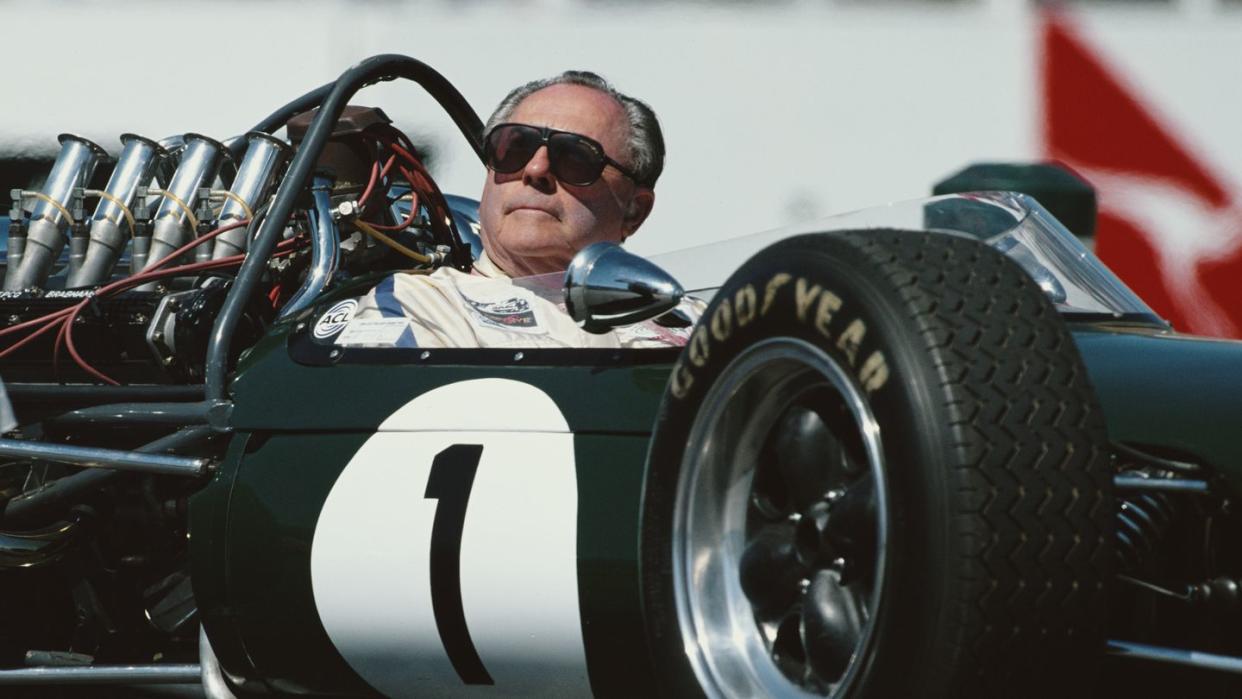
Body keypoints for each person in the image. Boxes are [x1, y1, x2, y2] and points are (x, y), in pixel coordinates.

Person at [338, 71, 695, 349]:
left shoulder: (695, 321)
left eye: (574, 156)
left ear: (634, 211)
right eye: (514, 147)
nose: (535, 170)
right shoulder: (421, 304)